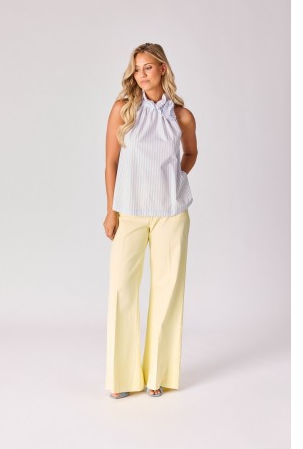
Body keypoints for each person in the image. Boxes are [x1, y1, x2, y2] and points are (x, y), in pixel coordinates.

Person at [103, 43, 198, 399]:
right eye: (136, 68)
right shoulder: (123, 110)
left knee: (167, 290)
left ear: (162, 69)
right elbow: (111, 162)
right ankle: (122, 379)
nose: (141, 74)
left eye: (147, 67)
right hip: (129, 212)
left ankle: (158, 375)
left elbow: (191, 153)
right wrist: (111, 210)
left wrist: (174, 177)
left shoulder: (181, 116)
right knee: (121, 289)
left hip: (171, 214)